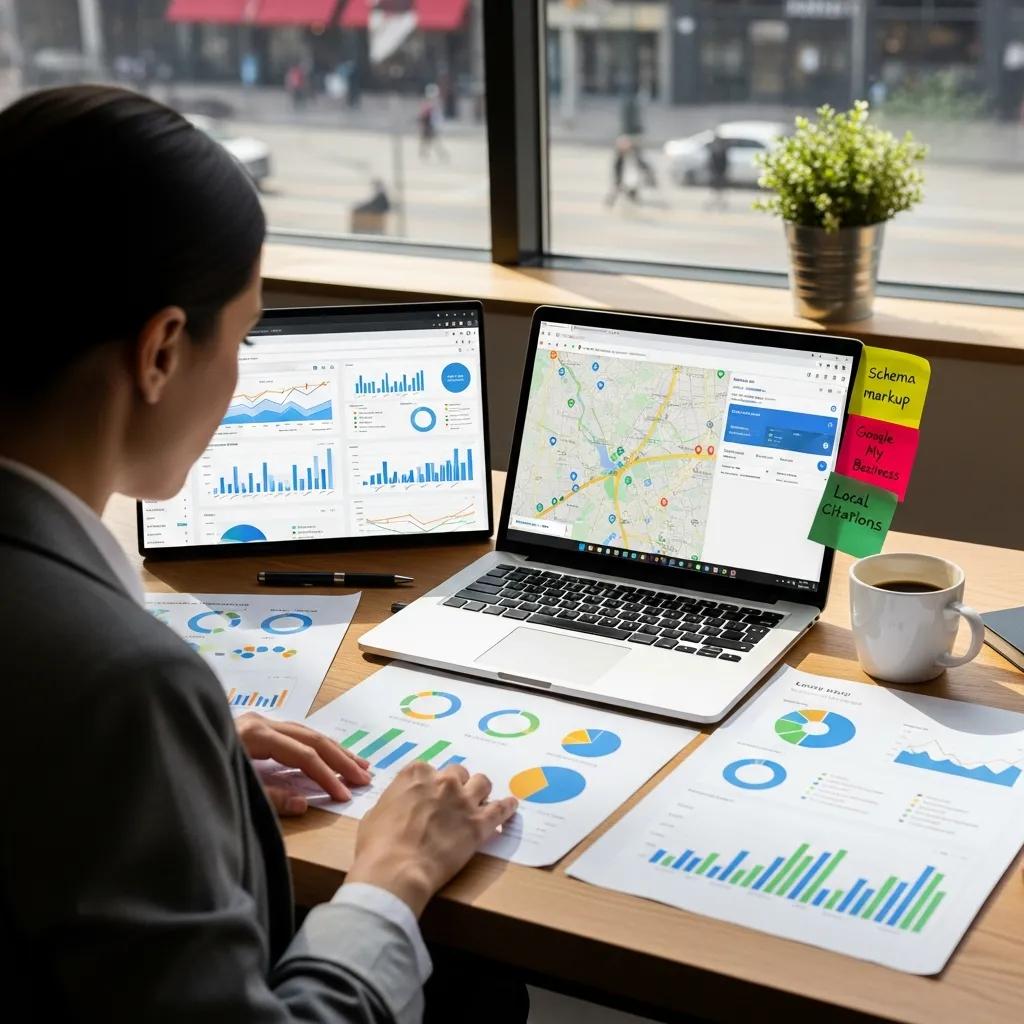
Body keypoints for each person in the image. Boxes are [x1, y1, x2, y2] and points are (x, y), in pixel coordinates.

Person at [0, 85, 518, 1022]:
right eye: (242, 335)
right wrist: (392, 877)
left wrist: (190, 761)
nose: (240, 379)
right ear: (159, 352)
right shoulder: (121, 685)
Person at [418, 83, 447, 161]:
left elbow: (437, 117)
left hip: (431, 126)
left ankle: (427, 154)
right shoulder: (428, 104)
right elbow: (424, 116)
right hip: (429, 126)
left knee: (432, 141)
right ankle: (426, 154)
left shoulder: (434, 104)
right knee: (430, 141)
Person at [706, 133, 729, 211]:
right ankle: (713, 203)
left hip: (719, 172)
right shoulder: (714, 149)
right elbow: (710, 162)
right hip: (715, 173)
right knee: (714, 190)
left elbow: (725, 163)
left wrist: (722, 172)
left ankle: (719, 203)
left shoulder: (722, 150)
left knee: (719, 190)